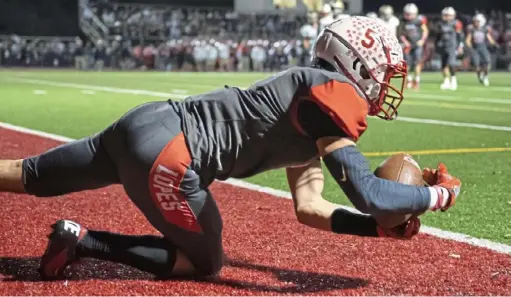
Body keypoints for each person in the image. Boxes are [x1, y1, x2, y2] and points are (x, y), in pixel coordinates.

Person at [0, 16, 461, 280]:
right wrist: (440, 196)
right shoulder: (330, 96)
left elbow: (309, 206)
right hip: (173, 155)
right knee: (206, 262)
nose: (385, 82)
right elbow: (371, 194)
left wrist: (373, 232)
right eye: (382, 69)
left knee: (30, 174)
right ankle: (84, 241)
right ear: (356, 64)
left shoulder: (310, 105)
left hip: (146, 121)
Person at [399, 3, 428, 89]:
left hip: (417, 44)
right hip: (408, 45)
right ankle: (408, 80)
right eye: (407, 14)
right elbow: (401, 33)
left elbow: (425, 31)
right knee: (407, 64)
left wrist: (422, 40)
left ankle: (416, 80)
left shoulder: (419, 20)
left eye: (410, 14)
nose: (408, 16)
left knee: (417, 63)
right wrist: (405, 41)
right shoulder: (403, 21)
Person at [436, 7, 465, 91]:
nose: (446, 17)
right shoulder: (440, 24)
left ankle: (453, 79)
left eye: (448, 15)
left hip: (452, 46)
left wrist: (460, 46)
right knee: (443, 65)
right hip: (443, 46)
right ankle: (446, 80)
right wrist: (437, 46)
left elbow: (460, 36)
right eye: (445, 15)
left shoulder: (456, 23)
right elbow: (438, 36)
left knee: (451, 64)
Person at [466, 13, 498, 86]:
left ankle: (486, 76)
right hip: (475, 48)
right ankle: (479, 75)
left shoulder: (484, 29)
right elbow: (468, 39)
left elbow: (489, 38)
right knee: (476, 65)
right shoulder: (472, 29)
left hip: (483, 47)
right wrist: (470, 47)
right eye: (475, 21)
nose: (476, 23)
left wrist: (494, 44)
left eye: (477, 21)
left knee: (487, 62)